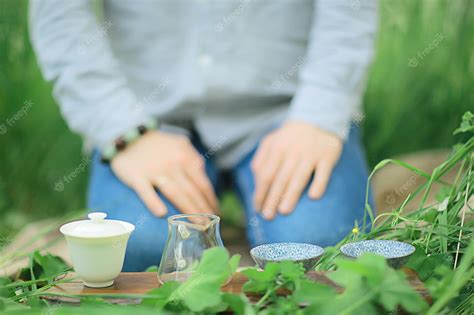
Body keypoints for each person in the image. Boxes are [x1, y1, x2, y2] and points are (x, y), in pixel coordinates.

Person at [30, 0, 378, 271]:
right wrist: (123, 131)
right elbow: (60, 14)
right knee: (142, 249)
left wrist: (318, 114)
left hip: (291, 111)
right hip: (146, 119)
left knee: (326, 247)